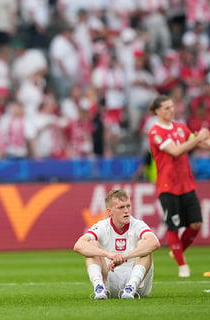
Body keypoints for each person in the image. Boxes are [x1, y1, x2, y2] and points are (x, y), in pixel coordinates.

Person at [148, 95, 210, 277]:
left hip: (186, 183)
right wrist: (199, 138)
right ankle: (182, 265)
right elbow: (176, 151)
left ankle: (177, 251)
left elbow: (201, 143)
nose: (170, 110)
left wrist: (204, 138)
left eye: (172, 106)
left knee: (197, 223)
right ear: (158, 111)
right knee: (173, 226)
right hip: (167, 185)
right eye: (166, 108)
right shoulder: (155, 132)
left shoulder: (180, 128)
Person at [74, 189, 160, 300]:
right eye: (121, 207)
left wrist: (124, 257)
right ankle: (99, 287)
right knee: (91, 244)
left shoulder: (138, 224)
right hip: (110, 279)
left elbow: (155, 243)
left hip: (137, 282)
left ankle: (131, 287)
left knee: (145, 244)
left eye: (128, 206)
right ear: (110, 212)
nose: (126, 211)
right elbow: (79, 245)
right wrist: (109, 255)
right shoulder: (102, 226)